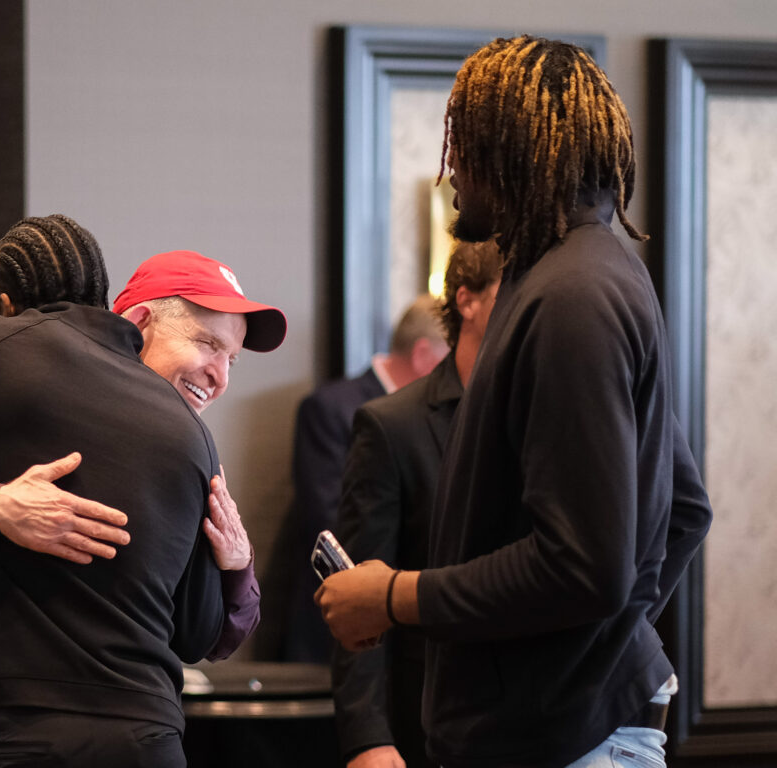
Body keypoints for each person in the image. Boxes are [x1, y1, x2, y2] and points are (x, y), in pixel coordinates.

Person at [316, 36, 713, 768]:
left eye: (461, 140)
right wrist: (603, 649)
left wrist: (394, 594)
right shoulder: (580, 276)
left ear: (513, 143)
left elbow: (585, 566)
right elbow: (685, 507)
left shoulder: (573, 296)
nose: (452, 169)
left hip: (568, 745)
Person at [0, 221, 286, 767]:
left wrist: (238, 563)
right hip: (141, 743)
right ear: (137, 322)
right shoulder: (191, 437)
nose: (220, 376)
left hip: (14, 737)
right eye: (207, 343)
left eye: (231, 358)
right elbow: (201, 636)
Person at [332, 239, 501, 768]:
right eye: (513, 287)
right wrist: (368, 737)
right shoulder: (391, 425)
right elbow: (359, 584)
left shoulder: (551, 413)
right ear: (467, 300)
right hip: (427, 718)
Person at [283, 293, 449, 662]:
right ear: (423, 355)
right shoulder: (331, 408)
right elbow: (329, 515)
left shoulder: (443, 416)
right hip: (335, 624)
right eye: (448, 361)